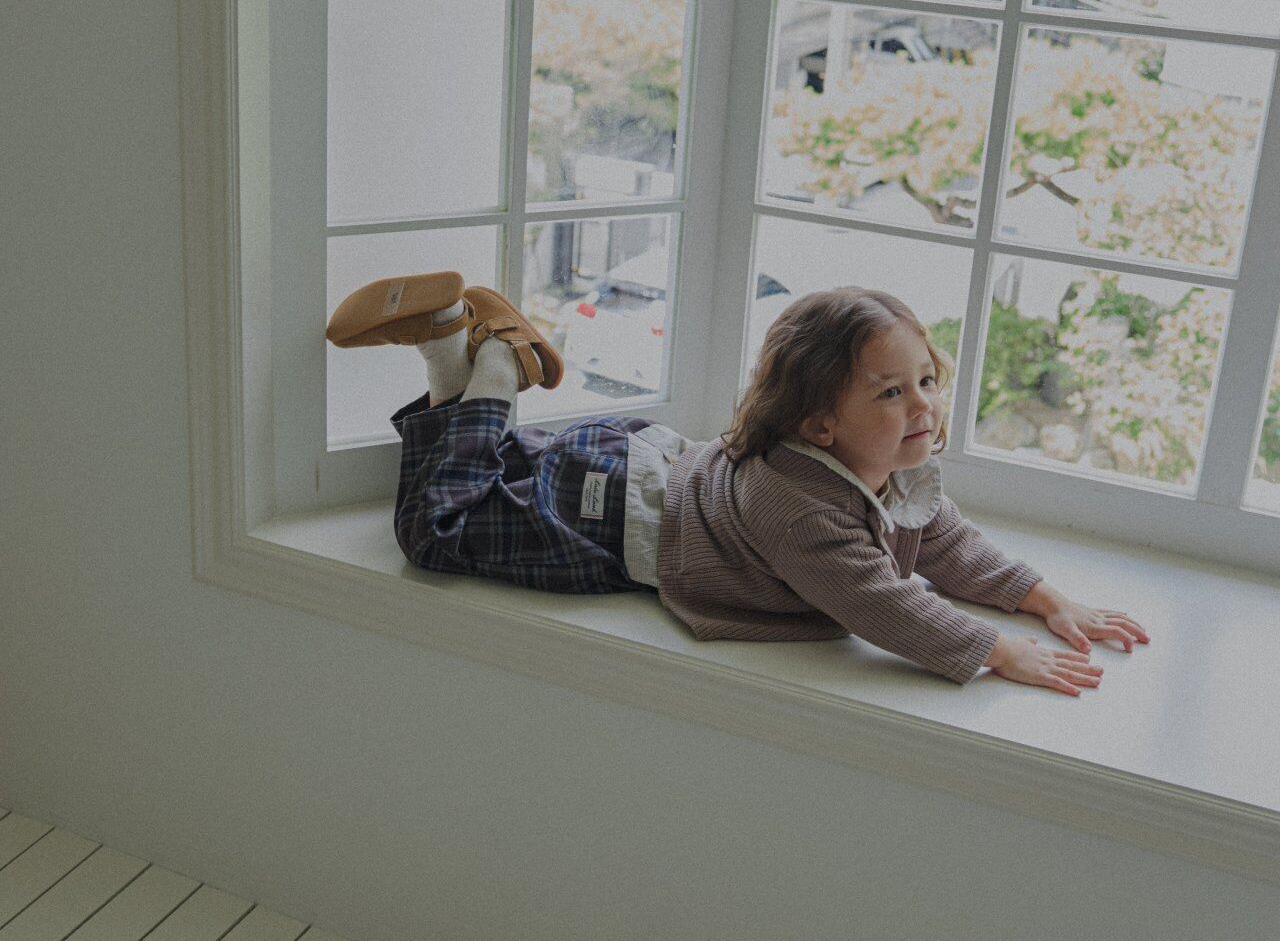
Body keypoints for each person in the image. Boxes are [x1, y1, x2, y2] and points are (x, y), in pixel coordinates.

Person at [325, 273, 1151, 695]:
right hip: (608, 521)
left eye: (926, 382)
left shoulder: (883, 467)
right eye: (891, 394)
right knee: (437, 532)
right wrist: (1001, 651)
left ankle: (453, 344)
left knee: (485, 471)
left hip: (638, 465)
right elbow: (884, 607)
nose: (924, 407)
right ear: (818, 423)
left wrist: (1045, 599)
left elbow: (946, 541)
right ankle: (495, 368)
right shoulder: (801, 512)